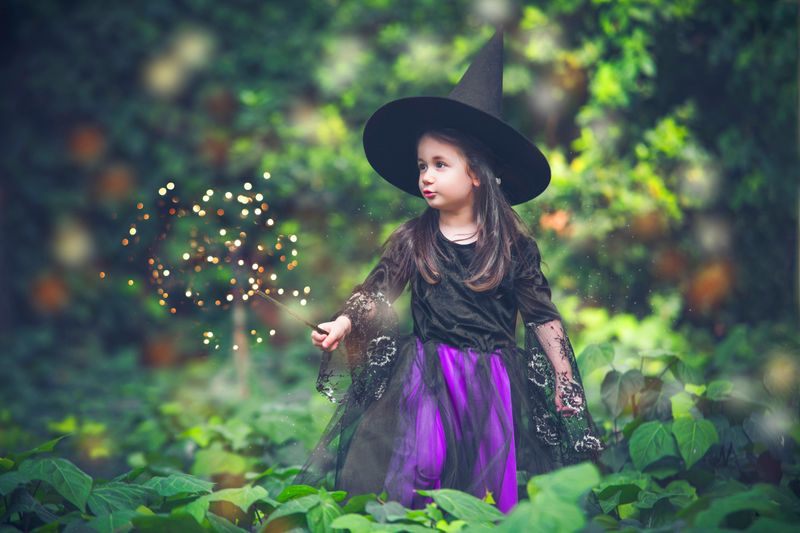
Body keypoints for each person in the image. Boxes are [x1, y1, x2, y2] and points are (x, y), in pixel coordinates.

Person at [293, 28, 604, 514]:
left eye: (440, 164)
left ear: (476, 173)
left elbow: (543, 318)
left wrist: (564, 379)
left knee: (484, 477)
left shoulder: (513, 247)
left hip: (492, 379)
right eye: (422, 165)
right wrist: (343, 322)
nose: (426, 177)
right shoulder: (413, 238)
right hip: (425, 374)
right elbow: (379, 289)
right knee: (421, 463)